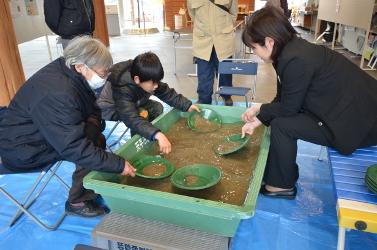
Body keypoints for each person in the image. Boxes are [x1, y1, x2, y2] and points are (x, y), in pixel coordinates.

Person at [240, 7, 377, 199]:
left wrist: (261, 109)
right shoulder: (290, 51)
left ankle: (281, 185)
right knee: (279, 121)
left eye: (254, 47)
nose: (254, 53)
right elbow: (284, 98)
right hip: (349, 111)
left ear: (269, 42)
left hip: (358, 124)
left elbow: (288, 109)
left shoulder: (295, 60)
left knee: (283, 126)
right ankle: (279, 175)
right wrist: (259, 117)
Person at [0, 36, 136, 217]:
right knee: (90, 144)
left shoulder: (70, 72)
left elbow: (92, 108)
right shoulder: (58, 93)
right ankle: (77, 201)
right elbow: (73, 147)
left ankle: (89, 186)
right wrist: (118, 164)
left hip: (41, 133)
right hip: (23, 149)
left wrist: (94, 124)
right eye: (103, 74)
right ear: (81, 67)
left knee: (93, 138)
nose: (105, 78)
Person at [97, 52, 200, 154]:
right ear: (137, 79)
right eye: (153, 83)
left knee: (157, 108)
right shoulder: (122, 87)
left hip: (134, 102)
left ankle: (148, 135)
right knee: (142, 114)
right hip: (111, 108)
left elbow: (166, 93)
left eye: (157, 81)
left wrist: (187, 105)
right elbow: (130, 118)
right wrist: (157, 134)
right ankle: (138, 148)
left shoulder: (145, 76)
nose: (156, 86)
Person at [187, 0, 238, 106]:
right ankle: (204, 99)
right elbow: (192, 13)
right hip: (203, 40)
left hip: (223, 39)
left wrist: (225, 27)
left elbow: (234, 14)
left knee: (225, 72)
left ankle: (226, 96)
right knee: (204, 73)